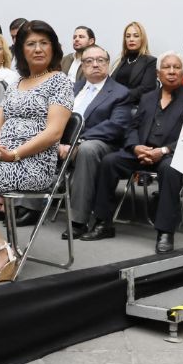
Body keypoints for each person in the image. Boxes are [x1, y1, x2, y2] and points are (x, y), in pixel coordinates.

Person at [0, 20, 72, 284]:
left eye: (44, 43)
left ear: (54, 48)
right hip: (1, 160)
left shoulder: (60, 82)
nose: (38, 49)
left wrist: (14, 154)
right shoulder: (16, 83)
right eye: (31, 43)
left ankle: (0, 251)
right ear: (21, 50)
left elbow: (54, 133)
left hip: (34, 166)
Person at [80, 52, 183, 254]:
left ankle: (165, 232)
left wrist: (164, 150)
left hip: (170, 154)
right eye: (167, 67)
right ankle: (103, 223)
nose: (172, 71)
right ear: (158, 73)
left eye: (177, 67)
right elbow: (132, 127)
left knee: (170, 169)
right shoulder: (148, 98)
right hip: (141, 151)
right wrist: (135, 147)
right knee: (109, 161)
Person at [57, 45, 132, 240]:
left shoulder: (120, 92)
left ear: (108, 64)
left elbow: (116, 126)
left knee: (87, 150)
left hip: (100, 144)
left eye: (100, 60)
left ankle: (78, 221)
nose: (95, 64)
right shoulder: (72, 88)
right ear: (82, 66)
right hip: (64, 142)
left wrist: (77, 142)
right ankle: (27, 206)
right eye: (89, 61)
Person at [110, 21, 157, 104]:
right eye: (128, 36)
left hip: (132, 105)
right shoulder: (120, 60)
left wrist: (120, 97)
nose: (131, 39)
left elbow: (146, 88)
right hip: (113, 103)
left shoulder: (150, 61)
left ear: (142, 39)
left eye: (136, 36)